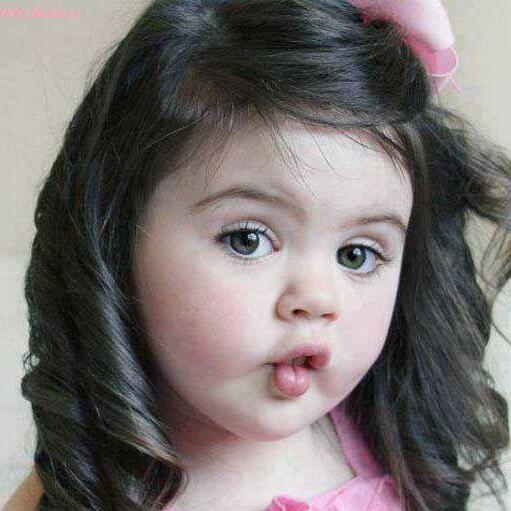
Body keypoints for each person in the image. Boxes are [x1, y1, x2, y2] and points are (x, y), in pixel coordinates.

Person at [2, 0, 510, 510]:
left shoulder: (394, 448)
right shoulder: (83, 483)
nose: (316, 300)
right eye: (248, 240)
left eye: (357, 255)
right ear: (115, 237)